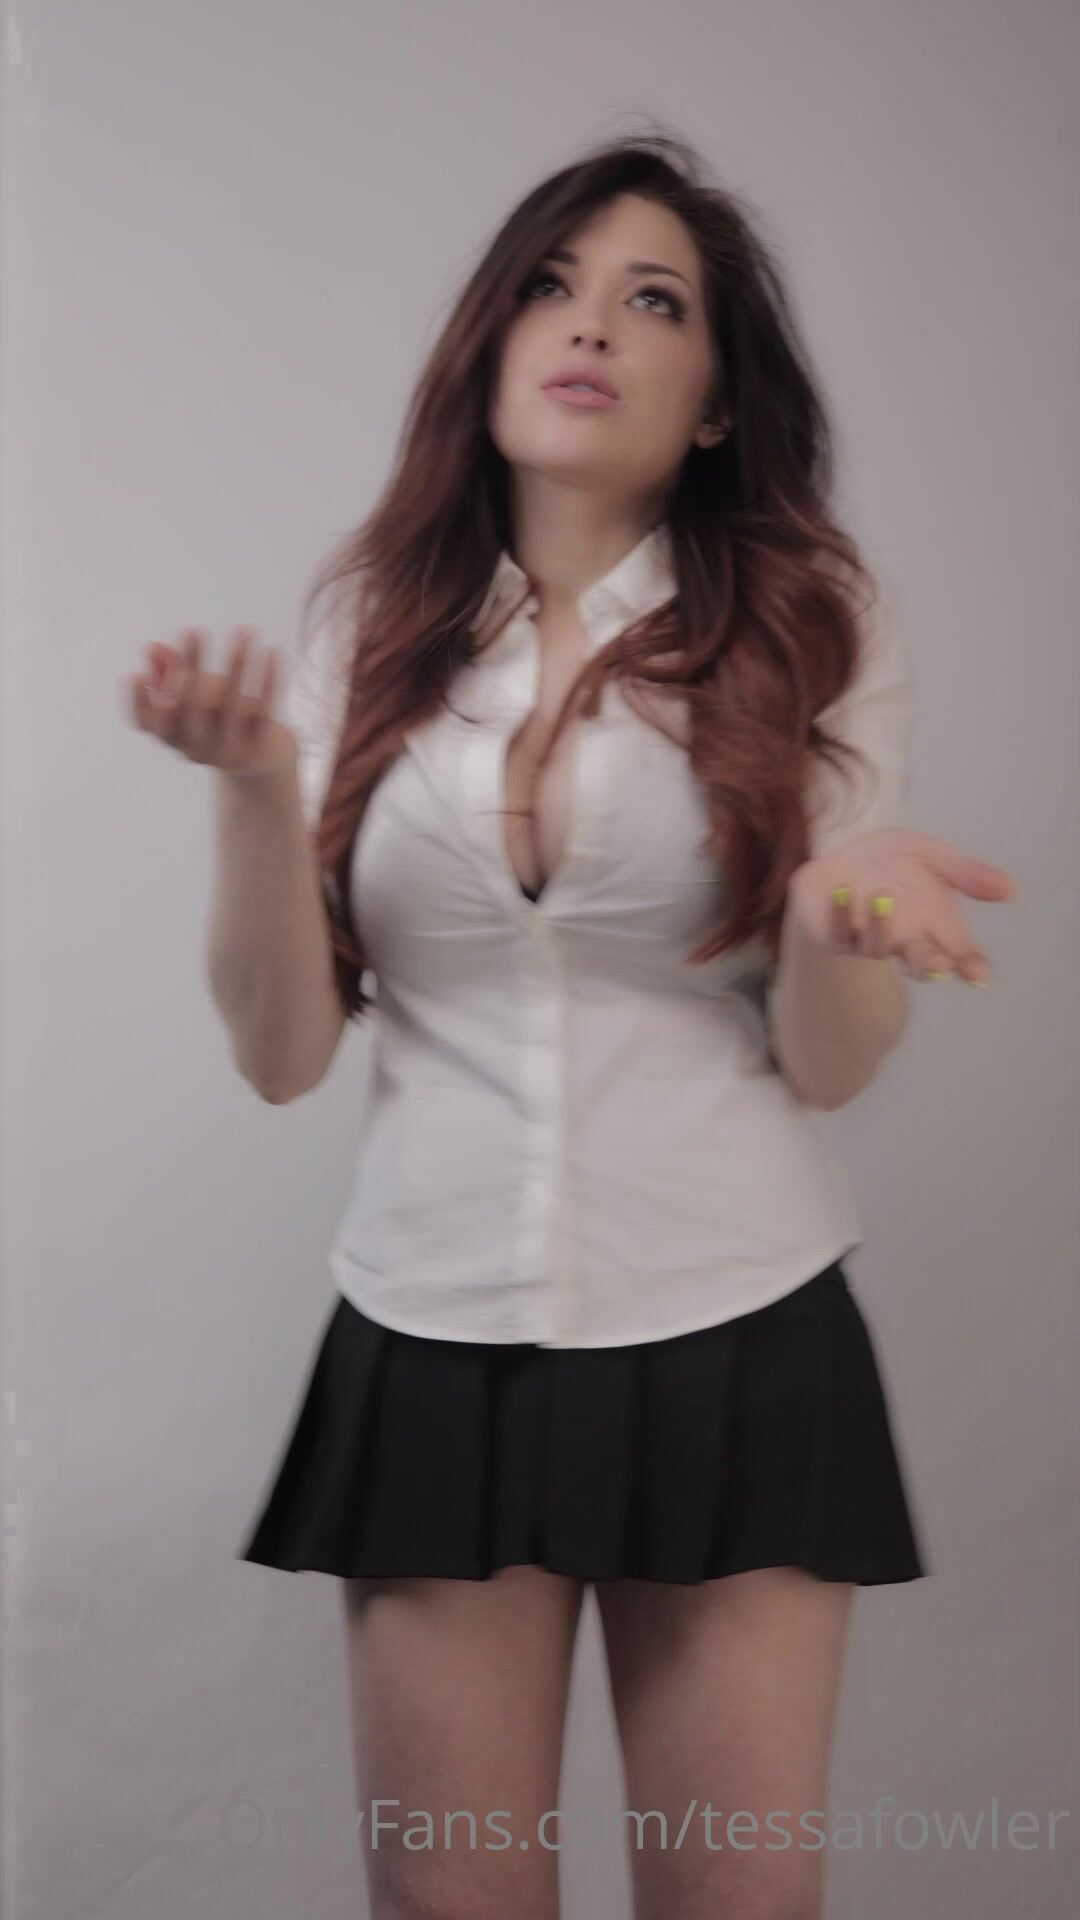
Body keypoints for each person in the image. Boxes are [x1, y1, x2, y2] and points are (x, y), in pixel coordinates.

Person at [127, 130, 1015, 1920]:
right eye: (551, 284)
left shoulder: (813, 622)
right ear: (492, 340)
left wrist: (839, 914)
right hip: (431, 1320)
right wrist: (254, 787)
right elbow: (285, 1055)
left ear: (717, 401)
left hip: (736, 1314)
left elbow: (831, 1062)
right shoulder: (376, 626)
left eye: (653, 299)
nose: (590, 322)